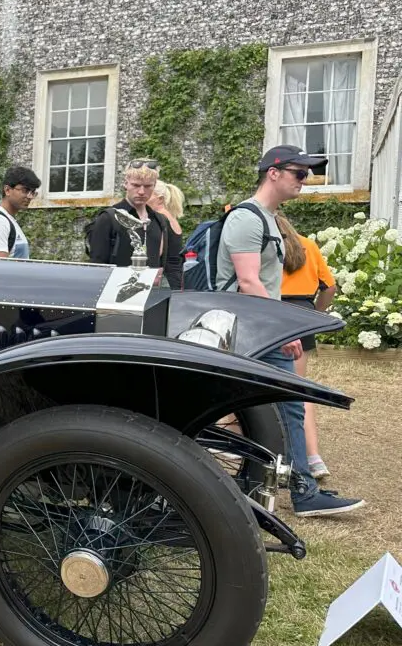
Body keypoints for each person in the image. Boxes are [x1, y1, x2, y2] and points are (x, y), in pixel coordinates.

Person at [218, 144, 363, 517]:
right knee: (269, 408)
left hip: (258, 328)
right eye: (300, 173)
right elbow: (249, 283)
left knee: (280, 408)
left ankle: (290, 488)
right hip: (251, 330)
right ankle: (298, 491)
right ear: (274, 173)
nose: (305, 181)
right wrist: (284, 330)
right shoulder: (247, 219)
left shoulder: (268, 219)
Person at [278, 212, 338, 480]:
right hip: (302, 312)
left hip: (270, 308)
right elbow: (329, 286)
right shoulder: (308, 245)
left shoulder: (263, 245)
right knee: (299, 389)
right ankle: (313, 458)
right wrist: (317, 314)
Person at [87, 160, 168, 270]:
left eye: (148, 186)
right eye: (136, 185)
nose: (141, 192)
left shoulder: (159, 220)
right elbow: (97, 265)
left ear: (154, 186)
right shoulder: (108, 218)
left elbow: (169, 263)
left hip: (151, 286)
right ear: (126, 184)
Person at [0, 166, 40, 259]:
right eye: (25, 190)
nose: (29, 196)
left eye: (32, 192)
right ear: (7, 190)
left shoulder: (8, 220)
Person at [149, 180, 185, 290]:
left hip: (164, 282)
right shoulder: (170, 217)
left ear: (160, 198)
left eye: (148, 193)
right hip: (175, 279)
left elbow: (155, 252)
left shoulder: (158, 218)